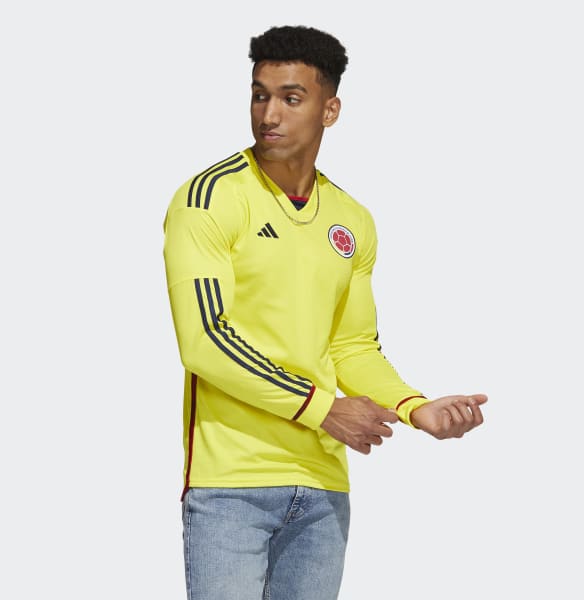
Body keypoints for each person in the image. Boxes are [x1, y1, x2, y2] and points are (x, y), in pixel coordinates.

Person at [163, 24, 487, 600]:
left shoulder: (351, 218)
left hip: (322, 488)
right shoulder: (208, 198)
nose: (269, 114)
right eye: (260, 95)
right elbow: (206, 338)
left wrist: (415, 408)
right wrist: (324, 409)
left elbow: (351, 346)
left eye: (291, 98)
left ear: (329, 110)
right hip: (231, 485)